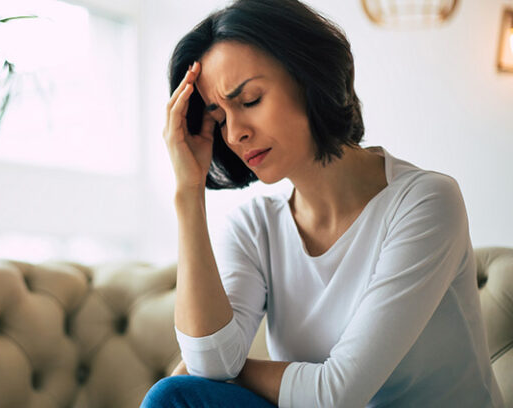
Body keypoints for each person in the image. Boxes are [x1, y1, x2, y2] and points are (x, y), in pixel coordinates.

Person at [141, 0, 505, 407]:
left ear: (309, 78)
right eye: (220, 117)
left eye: (250, 100)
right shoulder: (255, 227)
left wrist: (232, 366)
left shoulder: (426, 202)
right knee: (172, 396)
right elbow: (209, 363)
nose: (234, 133)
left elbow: (335, 395)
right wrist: (188, 192)